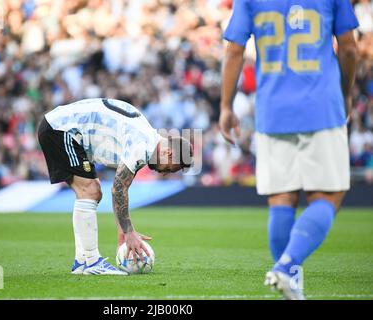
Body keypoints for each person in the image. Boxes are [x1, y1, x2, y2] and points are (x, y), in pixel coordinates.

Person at [219, 0, 359, 299]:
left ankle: (291, 284)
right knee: (329, 195)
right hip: (321, 106)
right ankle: (287, 267)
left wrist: (225, 106)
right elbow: (348, 47)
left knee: (282, 200)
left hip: (272, 111)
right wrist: (346, 93)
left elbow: (233, 49)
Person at [38, 98, 193, 275]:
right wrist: (129, 233)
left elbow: (121, 191)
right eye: (171, 168)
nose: (165, 173)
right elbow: (118, 188)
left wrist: (122, 231)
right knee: (90, 191)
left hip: (59, 126)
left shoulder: (147, 140)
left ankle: (82, 262)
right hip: (61, 129)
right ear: (168, 153)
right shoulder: (143, 146)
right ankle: (91, 262)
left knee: (90, 191)